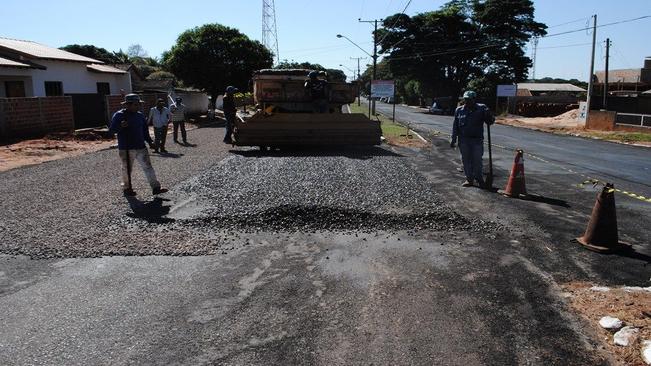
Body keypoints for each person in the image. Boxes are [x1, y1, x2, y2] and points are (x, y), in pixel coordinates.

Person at [109, 94, 167, 196]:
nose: (138, 106)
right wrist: (120, 126)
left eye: (138, 104)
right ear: (127, 105)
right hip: (126, 148)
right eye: (136, 104)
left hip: (141, 146)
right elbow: (112, 130)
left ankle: (156, 187)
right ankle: (127, 189)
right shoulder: (119, 115)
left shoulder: (139, 115)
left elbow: (145, 131)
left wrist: (150, 142)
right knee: (127, 169)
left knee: (148, 167)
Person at [450, 90, 495, 188]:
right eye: (465, 99)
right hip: (463, 140)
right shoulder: (459, 110)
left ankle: (479, 179)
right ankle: (469, 179)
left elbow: (490, 122)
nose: (467, 101)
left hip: (477, 140)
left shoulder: (482, 108)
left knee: (477, 161)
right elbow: (455, 126)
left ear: (474, 99)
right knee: (466, 160)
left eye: (469, 99)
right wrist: (453, 139)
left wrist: (489, 115)